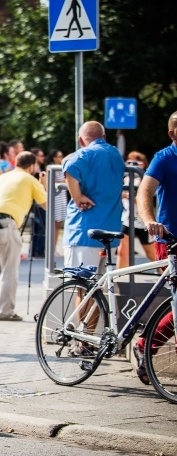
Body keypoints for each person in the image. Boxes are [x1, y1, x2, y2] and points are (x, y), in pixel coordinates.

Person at [0, 151, 47, 321]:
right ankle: (5, 312)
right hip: (3, 222)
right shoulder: (30, 179)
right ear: (31, 166)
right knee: (9, 271)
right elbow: (45, 205)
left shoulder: (4, 176)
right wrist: (42, 184)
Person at [133, 110, 177, 385]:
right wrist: (150, 221)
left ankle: (144, 344)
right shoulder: (164, 158)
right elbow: (144, 192)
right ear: (173, 133)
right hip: (171, 239)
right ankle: (145, 346)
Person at [62, 121, 125, 269]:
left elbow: (69, 167)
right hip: (111, 230)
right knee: (100, 287)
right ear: (104, 136)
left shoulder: (84, 154)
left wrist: (77, 198)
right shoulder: (115, 154)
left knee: (82, 287)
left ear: (80, 140)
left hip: (84, 231)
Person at [117, 151, 156, 268]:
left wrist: (134, 196)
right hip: (127, 219)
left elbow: (145, 199)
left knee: (151, 253)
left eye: (137, 162)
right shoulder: (125, 178)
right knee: (122, 252)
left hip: (143, 221)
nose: (132, 164)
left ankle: (165, 276)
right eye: (129, 162)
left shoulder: (146, 178)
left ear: (144, 164)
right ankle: (119, 279)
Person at [44, 149, 66, 254]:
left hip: (61, 197)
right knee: (55, 223)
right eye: (59, 156)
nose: (60, 158)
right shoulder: (53, 168)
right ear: (54, 157)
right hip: (55, 197)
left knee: (58, 224)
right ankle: (51, 249)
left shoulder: (61, 168)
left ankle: (54, 248)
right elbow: (52, 181)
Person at [30, 147, 47, 258]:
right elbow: (38, 186)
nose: (43, 157)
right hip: (38, 202)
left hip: (38, 201)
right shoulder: (33, 170)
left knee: (39, 227)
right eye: (40, 155)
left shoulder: (39, 168)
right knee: (40, 226)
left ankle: (37, 249)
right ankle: (37, 250)